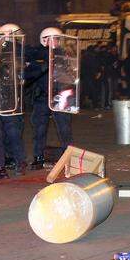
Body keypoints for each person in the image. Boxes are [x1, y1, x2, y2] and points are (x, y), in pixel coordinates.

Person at [27, 28, 73, 169]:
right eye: (54, 39)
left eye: (58, 39)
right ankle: (38, 156)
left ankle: (68, 156)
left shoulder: (63, 55)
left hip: (59, 96)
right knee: (39, 129)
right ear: (45, 40)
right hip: (42, 97)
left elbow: (71, 74)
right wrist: (41, 67)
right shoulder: (37, 55)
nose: (57, 42)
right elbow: (29, 75)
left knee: (64, 128)